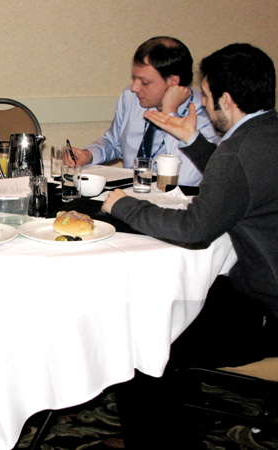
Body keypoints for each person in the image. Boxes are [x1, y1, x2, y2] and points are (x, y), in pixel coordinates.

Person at [102, 43, 278, 449]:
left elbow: (194, 229)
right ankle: (177, 419)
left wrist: (123, 204)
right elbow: (239, 182)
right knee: (171, 308)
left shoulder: (238, 151)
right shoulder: (266, 134)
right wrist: (193, 140)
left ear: (225, 100)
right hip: (260, 294)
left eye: (206, 94)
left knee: (142, 339)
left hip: (267, 312)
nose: (203, 102)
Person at [65, 36, 221, 186]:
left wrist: (169, 112)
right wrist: (89, 154)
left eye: (144, 82)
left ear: (173, 82)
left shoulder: (206, 112)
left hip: (176, 200)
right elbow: (113, 143)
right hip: (130, 195)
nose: (134, 88)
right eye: (134, 78)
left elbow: (186, 179)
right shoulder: (132, 97)